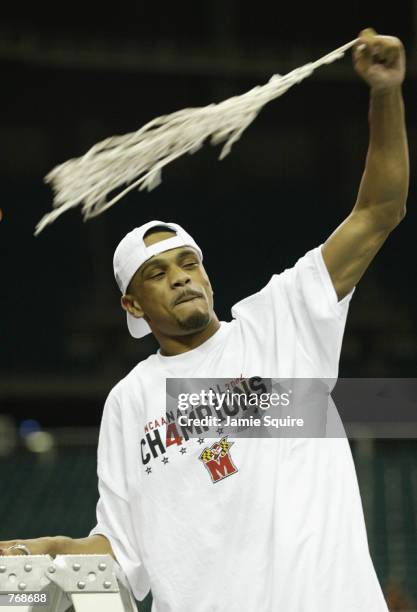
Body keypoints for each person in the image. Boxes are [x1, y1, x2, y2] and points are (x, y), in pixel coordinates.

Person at [0, 28, 409, 612]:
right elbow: (118, 564)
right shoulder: (131, 401)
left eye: (188, 262)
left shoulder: (281, 325)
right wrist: (30, 569)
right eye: (158, 272)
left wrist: (386, 95)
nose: (182, 276)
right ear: (133, 306)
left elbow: (379, 211)